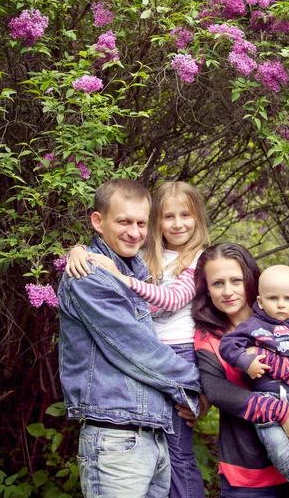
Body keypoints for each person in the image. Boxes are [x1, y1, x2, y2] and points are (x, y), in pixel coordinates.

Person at [58, 178, 202, 498]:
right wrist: (199, 385)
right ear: (99, 221)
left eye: (140, 223)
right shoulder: (90, 275)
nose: (134, 232)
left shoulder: (134, 271)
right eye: (123, 221)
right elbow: (139, 351)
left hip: (151, 435)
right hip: (116, 439)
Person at [192, 243, 289, 498]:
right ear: (207, 289)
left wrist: (262, 357)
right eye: (217, 283)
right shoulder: (209, 338)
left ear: (250, 281)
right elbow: (218, 392)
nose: (228, 291)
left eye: (236, 280)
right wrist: (282, 413)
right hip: (248, 470)